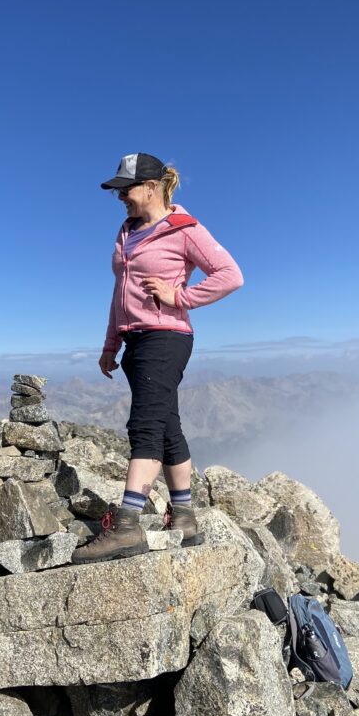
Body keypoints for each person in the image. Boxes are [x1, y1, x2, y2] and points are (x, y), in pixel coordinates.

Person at [71, 152, 244, 565]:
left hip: (166, 338)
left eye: (125, 190)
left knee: (145, 424)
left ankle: (127, 525)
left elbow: (230, 274)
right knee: (166, 426)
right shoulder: (126, 230)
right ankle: (184, 517)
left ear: (151, 187)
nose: (121, 199)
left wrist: (179, 296)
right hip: (135, 341)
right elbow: (121, 292)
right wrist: (110, 344)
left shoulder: (185, 228)